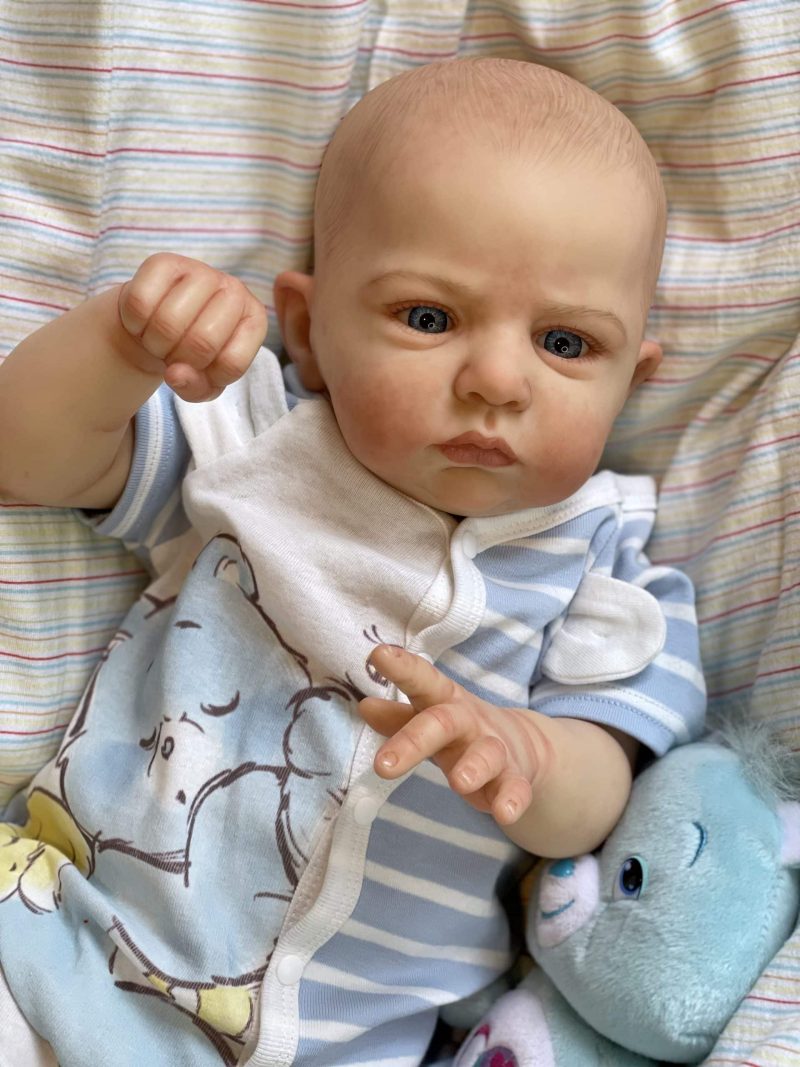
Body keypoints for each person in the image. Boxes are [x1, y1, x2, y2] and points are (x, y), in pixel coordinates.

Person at [0, 57, 704, 1067]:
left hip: (338, 1044)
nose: (495, 379)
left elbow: (599, 792)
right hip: (59, 945)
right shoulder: (257, 438)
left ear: (630, 378)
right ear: (308, 329)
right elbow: (25, 457)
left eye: (563, 342)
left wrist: (527, 753)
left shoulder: (609, 564)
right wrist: (124, 344)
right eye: (429, 318)